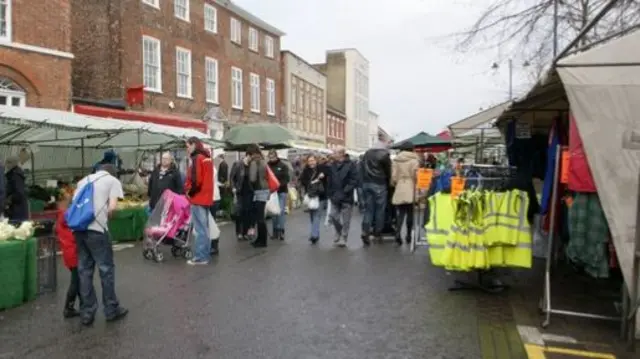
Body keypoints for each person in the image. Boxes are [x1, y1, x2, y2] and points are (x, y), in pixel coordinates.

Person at [72, 164, 127, 326]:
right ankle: (111, 309)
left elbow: (75, 204)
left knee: (84, 271)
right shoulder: (112, 181)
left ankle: (87, 313)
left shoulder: (83, 180)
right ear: (112, 172)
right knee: (106, 269)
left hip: (79, 229)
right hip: (97, 230)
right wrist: (108, 216)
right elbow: (112, 208)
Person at [184, 137, 213, 265]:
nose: (187, 149)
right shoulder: (206, 157)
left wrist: (189, 192)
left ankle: (200, 257)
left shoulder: (196, 158)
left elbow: (196, 180)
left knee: (200, 229)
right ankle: (205, 254)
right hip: (206, 197)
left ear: (194, 145)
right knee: (205, 228)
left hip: (198, 198)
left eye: (188, 146)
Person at [360, 137, 392, 245]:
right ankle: (377, 233)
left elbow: (362, 167)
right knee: (379, 210)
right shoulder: (384, 154)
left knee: (368, 210)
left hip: (367, 183)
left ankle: (365, 231)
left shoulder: (367, 153)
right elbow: (389, 171)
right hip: (379, 184)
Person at [55, 191, 81, 318]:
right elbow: (75, 237)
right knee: (76, 281)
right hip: (74, 254)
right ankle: (68, 308)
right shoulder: (67, 217)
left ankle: (82, 304)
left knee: (79, 280)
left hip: (69, 254)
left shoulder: (61, 218)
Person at [327, 147, 358, 247]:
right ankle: (338, 231)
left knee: (346, 220)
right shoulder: (332, 165)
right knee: (332, 216)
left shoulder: (351, 165)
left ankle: (344, 237)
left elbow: (354, 180)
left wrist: (346, 190)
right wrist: (330, 193)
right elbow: (330, 180)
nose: (332, 154)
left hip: (346, 196)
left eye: (334, 152)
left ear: (341, 154)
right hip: (335, 195)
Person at [391, 149, 420, 245]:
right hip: (410, 186)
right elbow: (416, 176)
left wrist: (397, 183)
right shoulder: (414, 160)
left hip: (399, 186)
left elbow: (394, 177)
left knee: (401, 213)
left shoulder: (396, 160)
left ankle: (397, 233)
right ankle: (408, 235)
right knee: (410, 213)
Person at [299, 154, 329, 244]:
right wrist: (311, 182)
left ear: (316, 160)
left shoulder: (321, 167)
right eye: (309, 161)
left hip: (321, 195)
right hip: (311, 195)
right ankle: (316, 233)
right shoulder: (305, 171)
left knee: (317, 215)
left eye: (312, 160)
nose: (311, 162)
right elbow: (302, 181)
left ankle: (314, 235)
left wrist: (323, 175)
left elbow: (328, 171)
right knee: (312, 215)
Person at [246, 145, 269, 248]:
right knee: (261, 217)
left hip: (259, 190)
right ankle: (261, 239)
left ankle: (262, 241)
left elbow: (252, 178)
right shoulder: (263, 160)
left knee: (259, 217)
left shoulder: (254, 162)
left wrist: (248, 166)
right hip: (265, 189)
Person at [267, 150, 290, 240]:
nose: (272, 159)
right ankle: (275, 231)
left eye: (273, 157)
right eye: (270, 157)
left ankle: (281, 230)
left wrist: (279, 184)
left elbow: (286, 178)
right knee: (273, 212)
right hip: (272, 192)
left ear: (276, 156)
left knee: (280, 211)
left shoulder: (283, 166)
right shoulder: (267, 166)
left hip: (281, 191)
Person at [230, 154, 252, 240]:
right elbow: (232, 177)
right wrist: (233, 188)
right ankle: (239, 232)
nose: (252, 158)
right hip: (239, 192)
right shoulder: (238, 164)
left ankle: (245, 232)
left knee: (247, 212)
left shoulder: (251, 165)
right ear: (247, 155)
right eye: (251, 156)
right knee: (239, 212)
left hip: (249, 192)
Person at [4, 156, 28, 222]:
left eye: (8, 162)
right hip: (15, 208)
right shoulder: (11, 174)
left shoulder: (16, 176)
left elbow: (19, 193)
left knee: (16, 228)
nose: (6, 164)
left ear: (14, 163)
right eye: (6, 162)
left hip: (17, 209)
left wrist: (10, 198)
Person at [209, 162, 221, 255]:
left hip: (212, 198)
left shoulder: (210, 167)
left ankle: (214, 245)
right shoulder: (211, 166)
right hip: (211, 197)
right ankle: (212, 245)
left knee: (211, 222)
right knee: (210, 222)